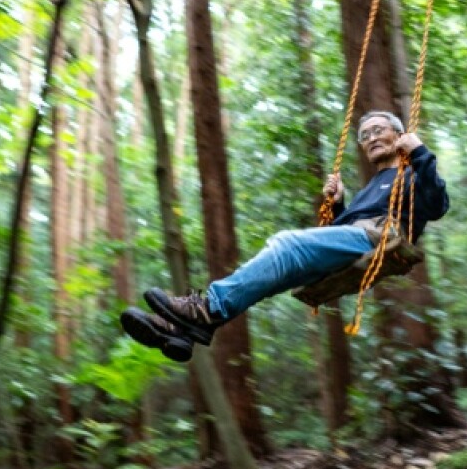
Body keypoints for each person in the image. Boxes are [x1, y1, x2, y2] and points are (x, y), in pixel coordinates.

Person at [120, 111, 450, 361]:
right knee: (273, 273)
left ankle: (205, 308)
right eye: (365, 135)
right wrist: (338, 205)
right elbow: (343, 233)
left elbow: (437, 206)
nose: (372, 137)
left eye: (379, 130)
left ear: (399, 135)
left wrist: (420, 152)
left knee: (287, 244)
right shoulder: (371, 187)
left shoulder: (412, 173)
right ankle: (184, 330)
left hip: (381, 238)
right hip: (358, 241)